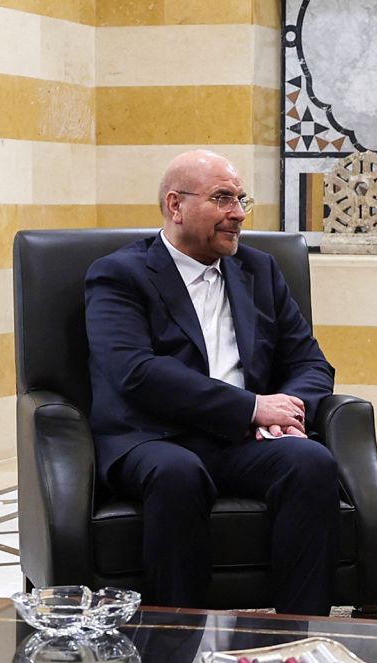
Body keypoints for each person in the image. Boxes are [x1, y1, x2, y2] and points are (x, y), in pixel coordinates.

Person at [85, 149, 339, 615]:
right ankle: (176, 645)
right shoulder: (119, 274)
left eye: (241, 199)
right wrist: (250, 407)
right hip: (153, 437)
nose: (238, 214)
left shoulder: (259, 270)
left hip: (243, 440)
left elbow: (310, 362)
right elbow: (136, 372)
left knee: (310, 462)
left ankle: (296, 637)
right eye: (223, 199)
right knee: (177, 474)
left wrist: (287, 410)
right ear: (175, 205)